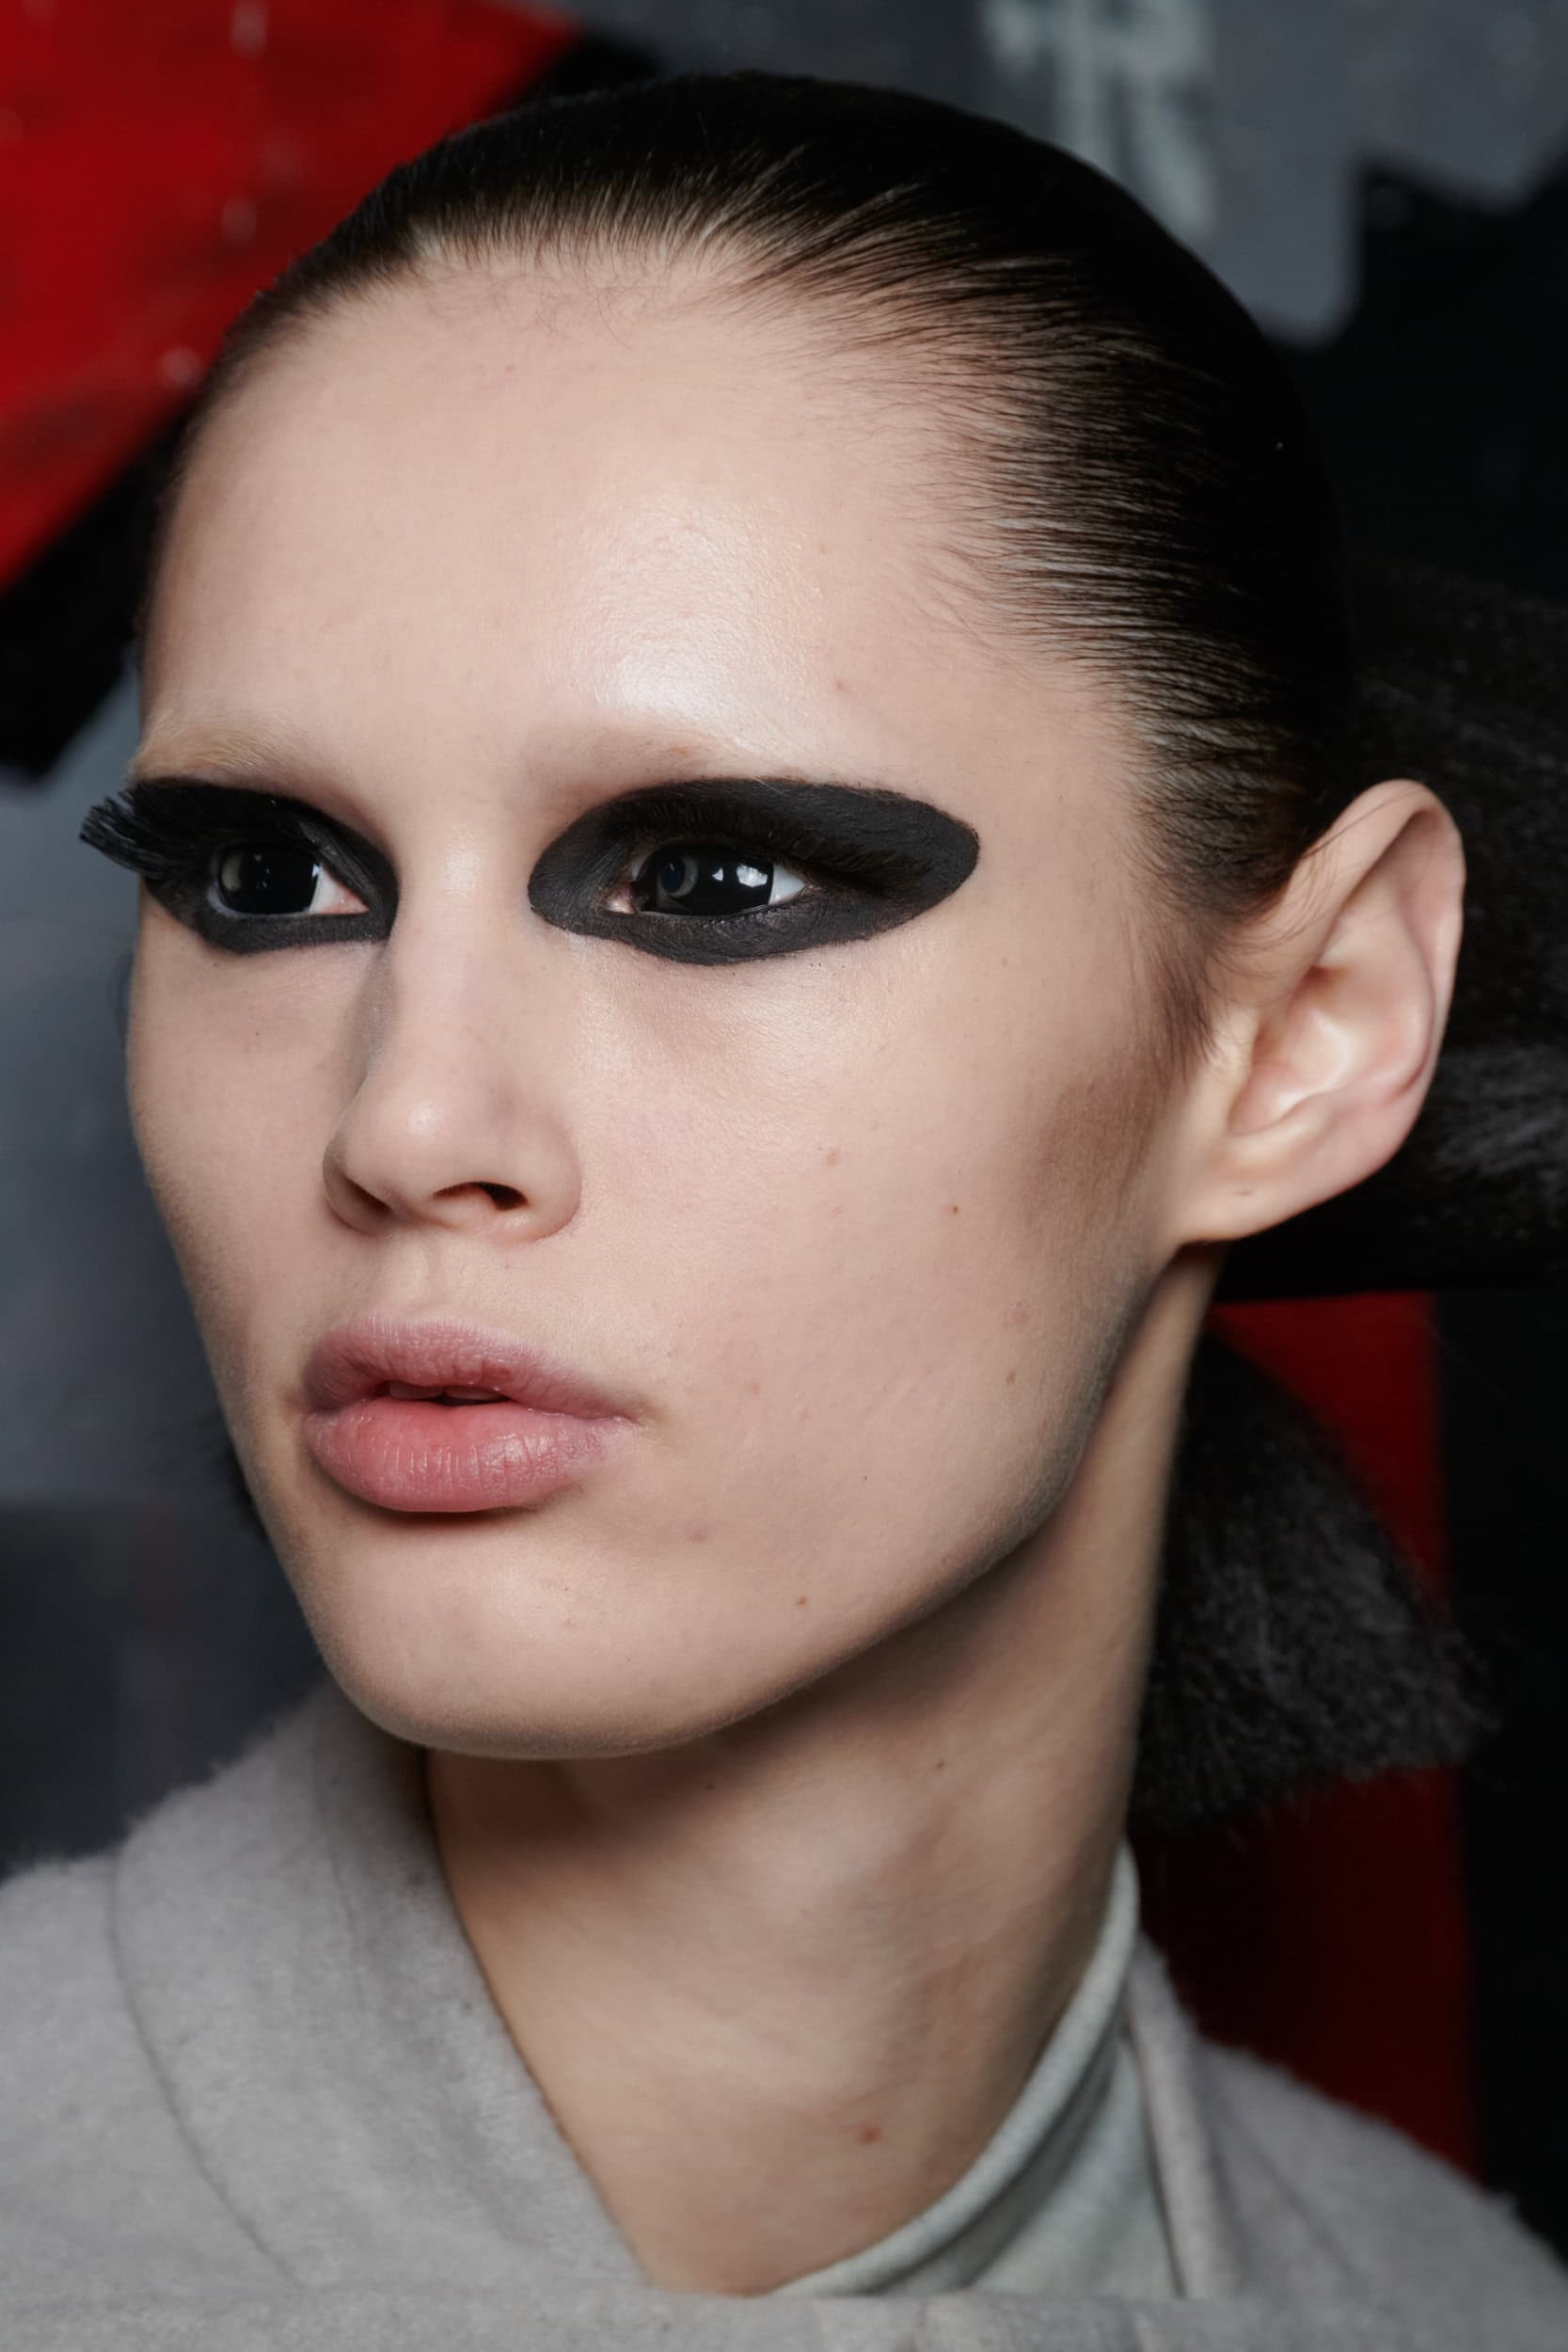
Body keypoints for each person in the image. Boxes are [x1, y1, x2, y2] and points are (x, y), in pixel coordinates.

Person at [4, 70, 1564, 2347]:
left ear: (1312, 1023)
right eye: (269, 875)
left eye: (713, 877)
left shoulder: (1462, 2308)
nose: (408, 1117)